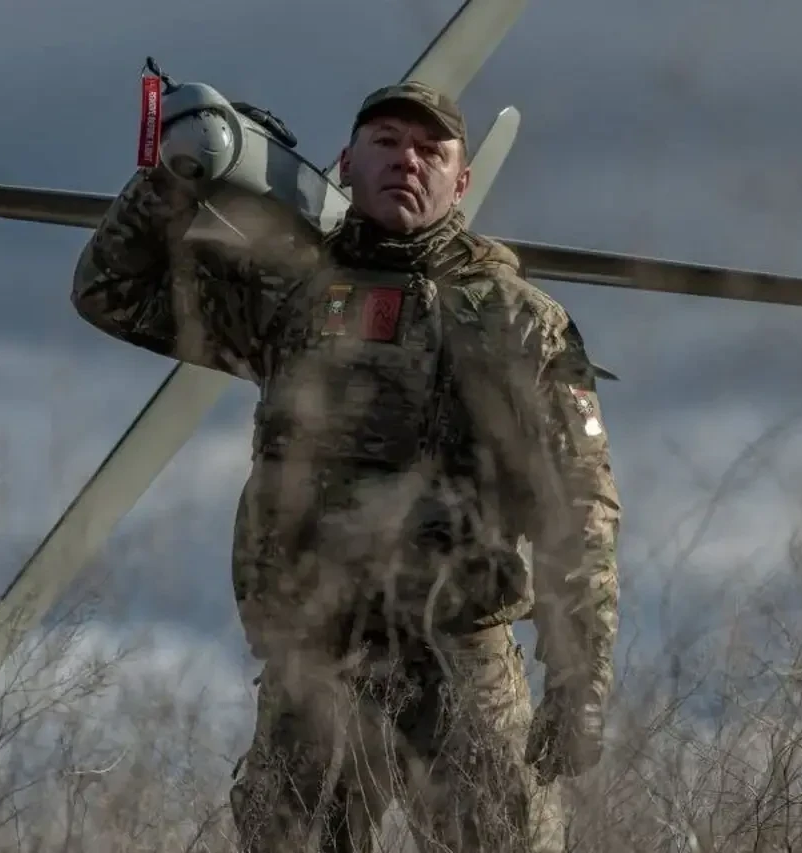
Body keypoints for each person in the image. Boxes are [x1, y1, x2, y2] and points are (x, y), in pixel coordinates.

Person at [71, 80, 621, 852]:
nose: (408, 161)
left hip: (461, 662)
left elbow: (581, 507)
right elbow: (110, 291)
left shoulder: (520, 321)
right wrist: (172, 177)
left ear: (462, 180)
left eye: (431, 151)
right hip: (314, 664)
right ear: (347, 164)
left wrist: (579, 679)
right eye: (386, 143)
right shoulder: (286, 298)